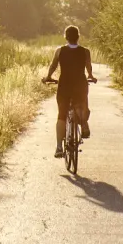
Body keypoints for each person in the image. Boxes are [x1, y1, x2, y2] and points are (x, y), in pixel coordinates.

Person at [42, 25, 97, 158]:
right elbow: (88, 66)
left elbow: (53, 65)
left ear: (65, 37)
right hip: (80, 84)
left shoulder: (60, 51)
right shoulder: (85, 51)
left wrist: (48, 77)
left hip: (64, 85)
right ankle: (84, 124)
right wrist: (90, 75)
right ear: (78, 37)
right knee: (82, 104)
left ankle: (59, 147)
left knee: (62, 115)